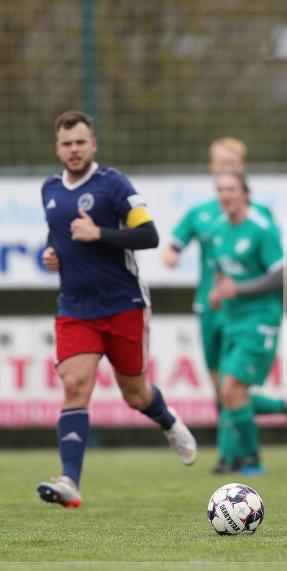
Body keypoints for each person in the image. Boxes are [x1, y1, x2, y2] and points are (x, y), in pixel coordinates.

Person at [37, 110, 197, 508]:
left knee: (135, 395)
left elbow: (149, 234)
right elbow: (56, 230)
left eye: (80, 142)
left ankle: (168, 421)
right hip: (75, 308)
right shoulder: (49, 189)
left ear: (92, 144)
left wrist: (99, 234)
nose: (74, 149)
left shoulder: (113, 185)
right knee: (75, 385)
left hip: (123, 305)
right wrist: (52, 252)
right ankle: (69, 482)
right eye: (66, 143)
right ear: (58, 149)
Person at [161, 138, 287, 473]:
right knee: (224, 391)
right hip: (213, 309)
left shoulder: (258, 216)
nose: (226, 171)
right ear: (212, 169)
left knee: (231, 388)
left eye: (232, 165)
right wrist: (169, 255)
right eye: (220, 164)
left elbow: (279, 262)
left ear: (242, 175)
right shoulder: (205, 217)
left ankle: (235, 458)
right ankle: (281, 413)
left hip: (251, 311)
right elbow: (182, 250)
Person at [205, 171, 287, 475]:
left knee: (232, 388)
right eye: (221, 190)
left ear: (245, 193)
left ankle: (252, 460)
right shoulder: (217, 230)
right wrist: (218, 291)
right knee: (230, 393)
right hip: (232, 319)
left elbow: (280, 273)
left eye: (231, 189)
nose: (225, 195)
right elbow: (222, 272)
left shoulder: (260, 228)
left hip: (260, 318)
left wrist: (237, 289)